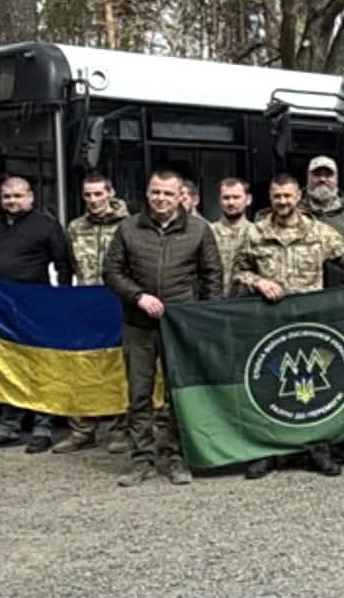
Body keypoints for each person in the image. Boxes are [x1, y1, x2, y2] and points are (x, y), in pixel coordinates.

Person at [231, 174, 344, 479]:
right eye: (277, 197)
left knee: (313, 388)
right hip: (270, 324)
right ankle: (270, 451)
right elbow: (238, 272)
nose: (283, 202)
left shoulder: (319, 232)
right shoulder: (255, 233)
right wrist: (258, 281)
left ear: (299, 196)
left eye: (288, 196)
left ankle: (318, 449)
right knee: (271, 388)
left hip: (310, 324)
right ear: (270, 198)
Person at [104, 171, 223, 486]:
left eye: (168, 194)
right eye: (155, 192)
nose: (161, 199)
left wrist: (203, 320)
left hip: (180, 327)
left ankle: (175, 457)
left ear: (181, 196)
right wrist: (138, 296)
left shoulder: (200, 230)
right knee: (139, 394)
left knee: (178, 395)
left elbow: (212, 276)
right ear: (147, 193)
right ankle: (141, 460)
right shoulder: (128, 228)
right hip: (137, 324)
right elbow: (112, 271)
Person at [0, 175, 76, 453]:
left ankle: (42, 428)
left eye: (17, 196)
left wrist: (60, 300)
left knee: (39, 366)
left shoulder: (47, 226)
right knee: (6, 366)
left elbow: (63, 265)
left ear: (30, 197)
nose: (12, 201)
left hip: (37, 308)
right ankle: (8, 428)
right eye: (7, 196)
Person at [55, 174, 133, 455]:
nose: (92, 200)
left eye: (98, 194)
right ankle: (82, 429)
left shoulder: (130, 225)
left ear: (110, 193)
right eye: (87, 195)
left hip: (120, 306)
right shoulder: (76, 227)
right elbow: (71, 265)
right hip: (87, 307)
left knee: (120, 368)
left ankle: (120, 430)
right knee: (83, 368)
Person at [210, 177, 255, 295]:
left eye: (236, 197)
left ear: (248, 199)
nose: (231, 202)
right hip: (214, 302)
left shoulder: (257, 233)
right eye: (226, 198)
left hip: (247, 302)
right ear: (219, 200)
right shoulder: (207, 232)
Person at [304, 156, 344, 245]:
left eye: (328, 175)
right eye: (317, 174)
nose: (322, 179)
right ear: (308, 178)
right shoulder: (295, 211)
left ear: (336, 179)